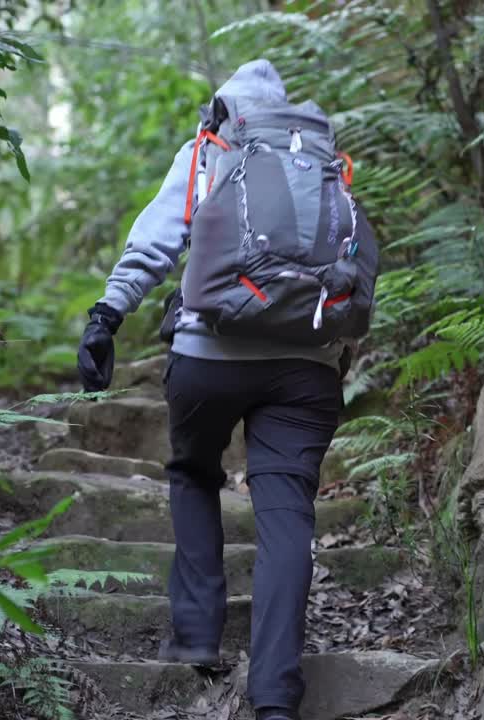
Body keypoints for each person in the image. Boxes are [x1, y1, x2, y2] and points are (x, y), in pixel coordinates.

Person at [76, 60, 357, 720]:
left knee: (194, 471)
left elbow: (158, 241)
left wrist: (106, 316)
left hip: (208, 352)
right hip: (306, 363)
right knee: (287, 513)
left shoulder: (209, 151)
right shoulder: (319, 159)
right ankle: (275, 697)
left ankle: (198, 632)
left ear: (223, 107)